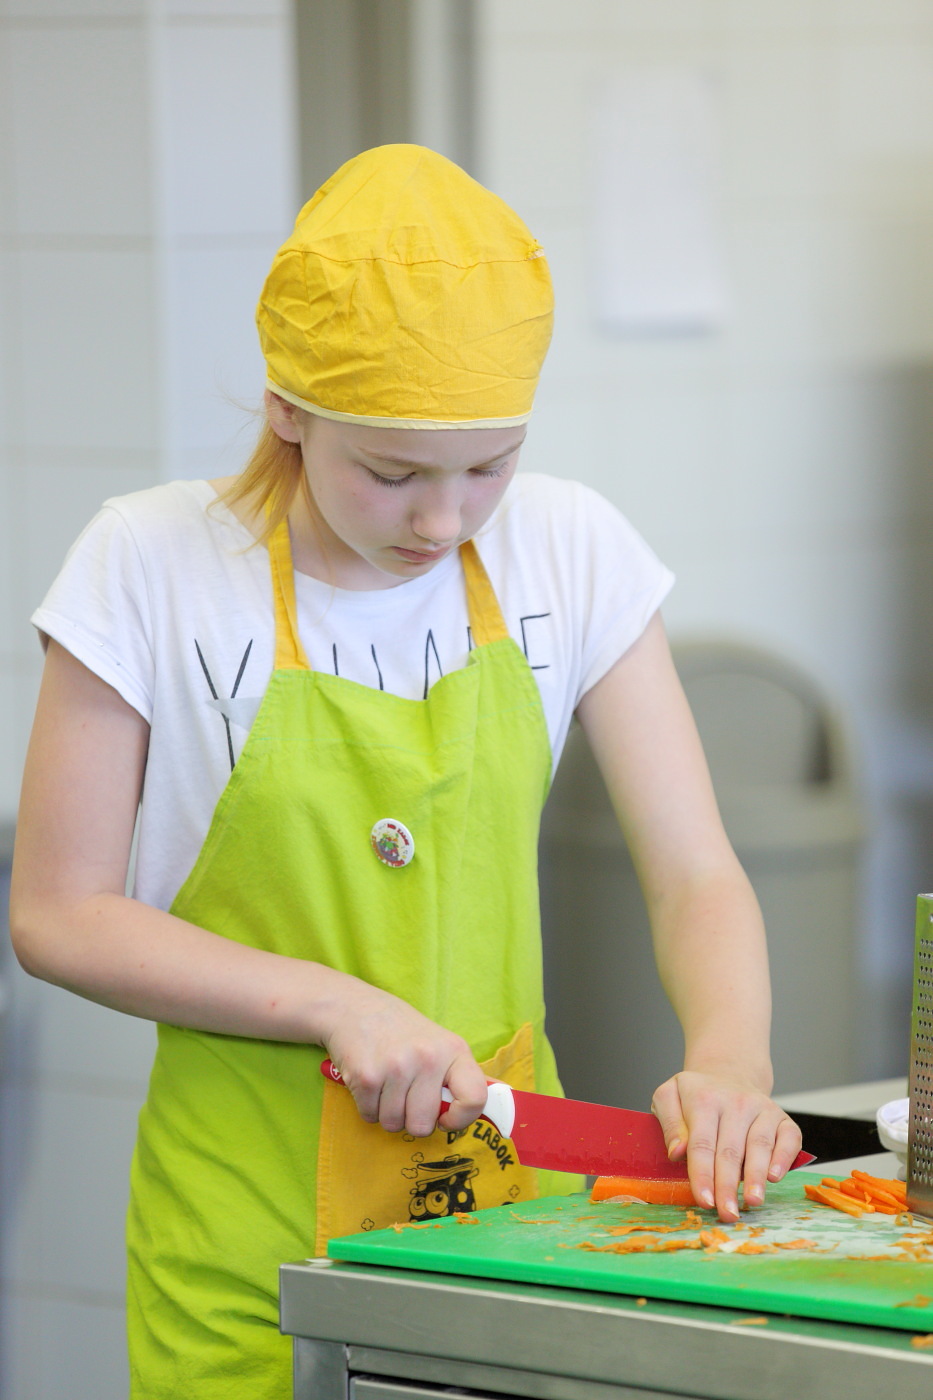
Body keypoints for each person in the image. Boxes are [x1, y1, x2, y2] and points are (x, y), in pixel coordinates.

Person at [10, 145, 802, 1398]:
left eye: (489, 465)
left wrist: (732, 1061)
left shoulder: (569, 548)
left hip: (513, 1230)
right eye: (392, 474)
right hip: (246, 1252)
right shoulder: (148, 567)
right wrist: (339, 1004)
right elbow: (58, 912)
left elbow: (695, 870)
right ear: (288, 405)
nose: (443, 520)